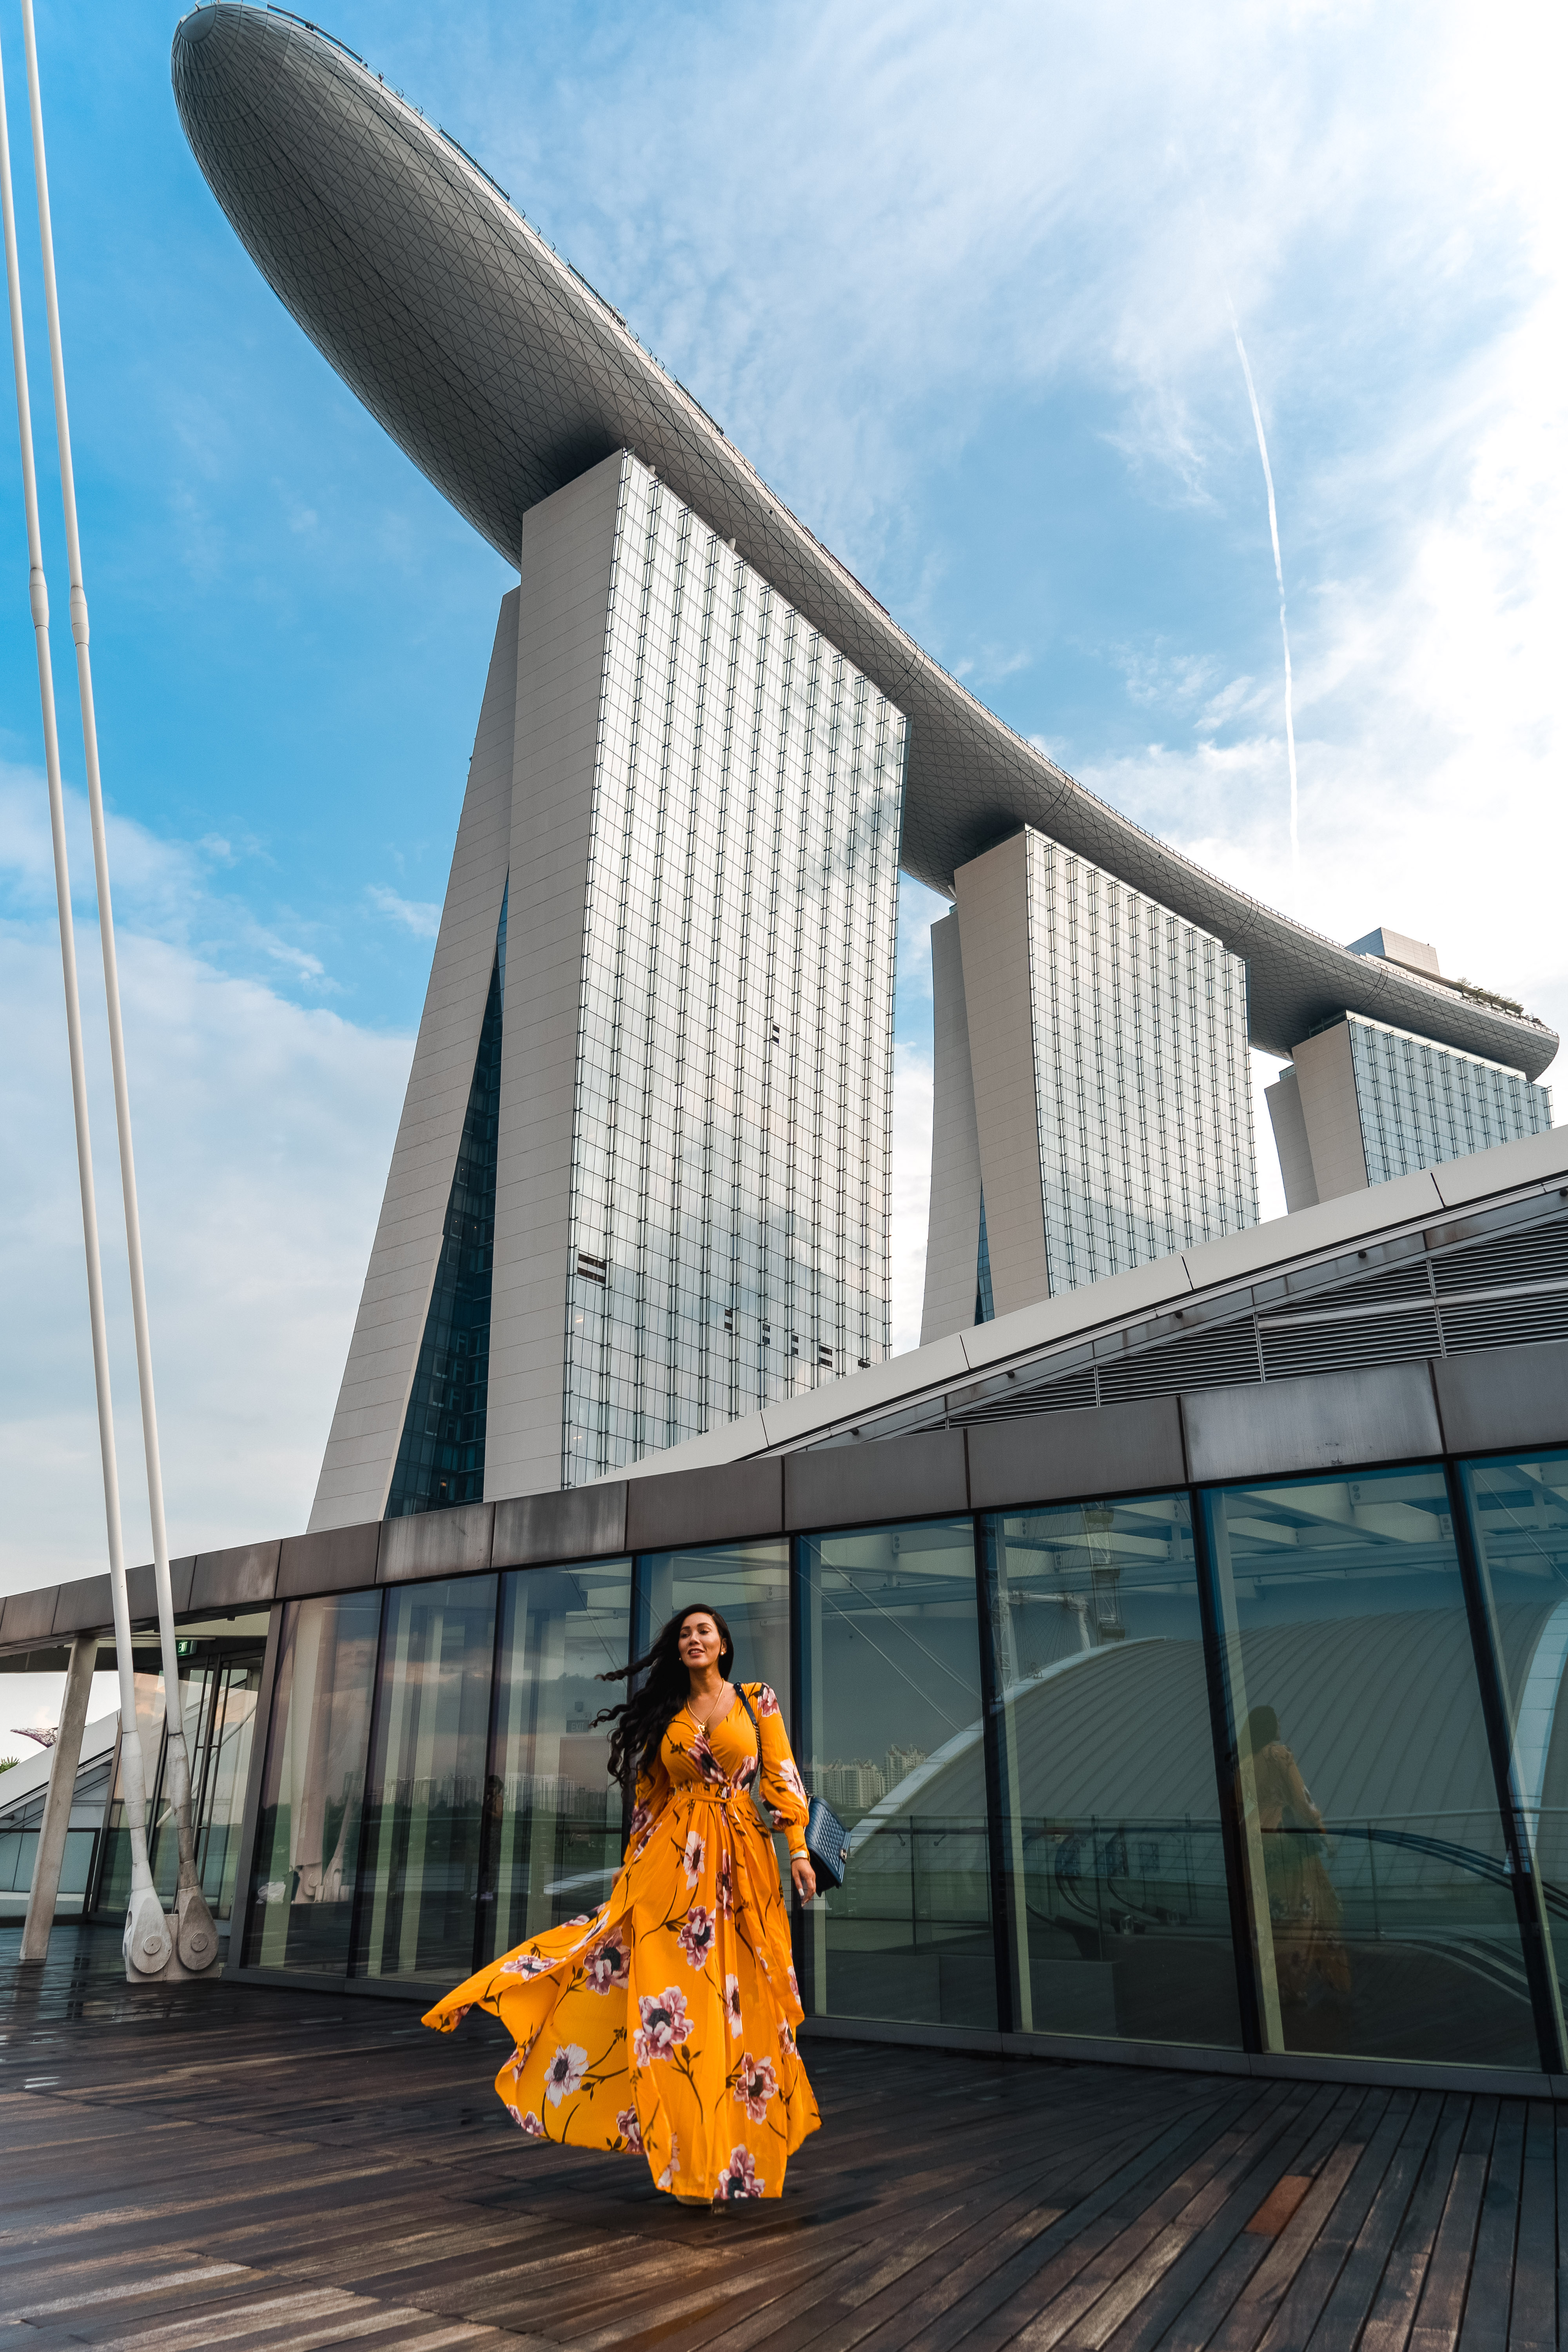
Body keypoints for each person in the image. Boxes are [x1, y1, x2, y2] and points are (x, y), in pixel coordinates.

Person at [423, 1604, 820, 2206]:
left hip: (743, 1868)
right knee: (673, 2015)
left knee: (741, 2010)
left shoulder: (757, 1700)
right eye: (685, 1633)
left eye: (703, 1631)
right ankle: (691, 2167)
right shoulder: (667, 1716)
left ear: (724, 1645)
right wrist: (631, 1877)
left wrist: (798, 1850)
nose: (693, 1639)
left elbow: (783, 1780)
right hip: (672, 1872)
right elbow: (648, 1804)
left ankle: (735, 2158)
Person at [1241, 1704, 1352, 2007]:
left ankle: (1278, 1983)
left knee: (1273, 1915)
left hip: (1257, 1844)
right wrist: (1322, 1833)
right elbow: (1302, 1799)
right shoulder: (1279, 1755)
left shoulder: (1245, 1765)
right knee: (1306, 1910)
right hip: (1286, 1843)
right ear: (1269, 1727)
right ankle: (1302, 1981)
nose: (1280, 1725)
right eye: (1276, 1721)